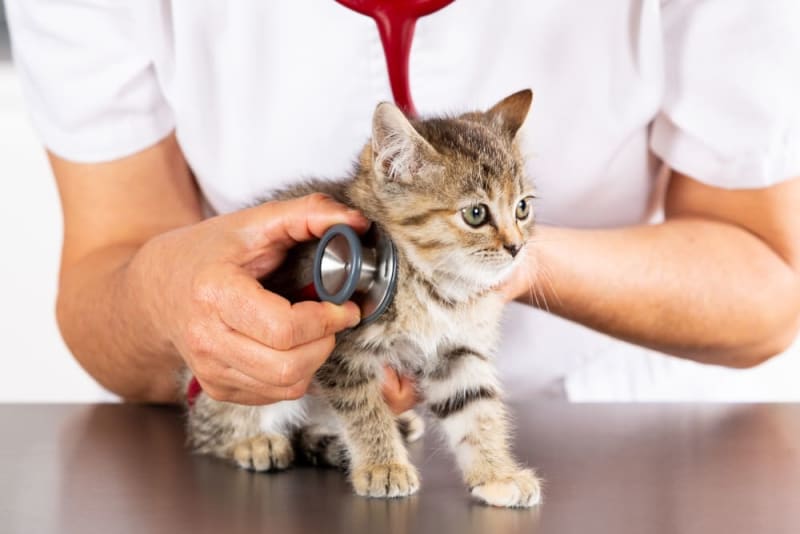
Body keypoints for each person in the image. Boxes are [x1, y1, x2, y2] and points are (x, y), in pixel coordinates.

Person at [6, 1, 800, 407]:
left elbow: (764, 282)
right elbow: (105, 270)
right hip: (290, 447)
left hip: (611, 433)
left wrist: (507, 264)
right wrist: (175, 306)